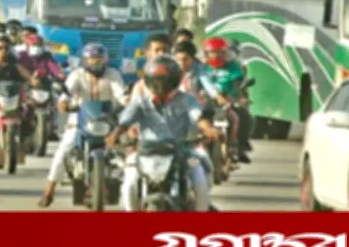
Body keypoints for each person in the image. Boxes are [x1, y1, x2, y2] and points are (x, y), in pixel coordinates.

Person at [105, 55, 219, 212]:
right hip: (145, 153)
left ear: (174, 80)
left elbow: (198, 117)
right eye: (156, 80)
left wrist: (208, 129)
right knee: (129, 185)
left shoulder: (187, 99)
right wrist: (115, 135)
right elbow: (125, 121)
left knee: (200, 182)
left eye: (164, 80)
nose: (160, 85)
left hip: (181, 151)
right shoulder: (141, 101)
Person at [38, 43, 126, 207]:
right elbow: (67, 92)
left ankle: (131, 191)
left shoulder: (113, 74)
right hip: (79, 119)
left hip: (107, 119)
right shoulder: (77, 74)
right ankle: (50, 188)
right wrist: (64, 102)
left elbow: (120, 93)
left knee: (125, 151)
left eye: (99, 60)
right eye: (92, 60)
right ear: (85, 60)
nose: (96, 63)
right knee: (64, 148)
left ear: (106, 60)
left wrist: (126, 101)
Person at [202, 37, 252, 162]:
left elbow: (237, 85)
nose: (217, 55)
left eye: (220, 52)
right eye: (213, 52)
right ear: (206, 53)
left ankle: (239, 147)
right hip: (205, 103)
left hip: (228, 101)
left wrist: (239, 98)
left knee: (244, 116)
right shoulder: (201, 68)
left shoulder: (234, 67)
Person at [130, 33, 171, 101]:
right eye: (157, 50)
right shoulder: (141, 88)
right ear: (148, 54)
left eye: (165, 50)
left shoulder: (179, 82)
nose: (161, 54)